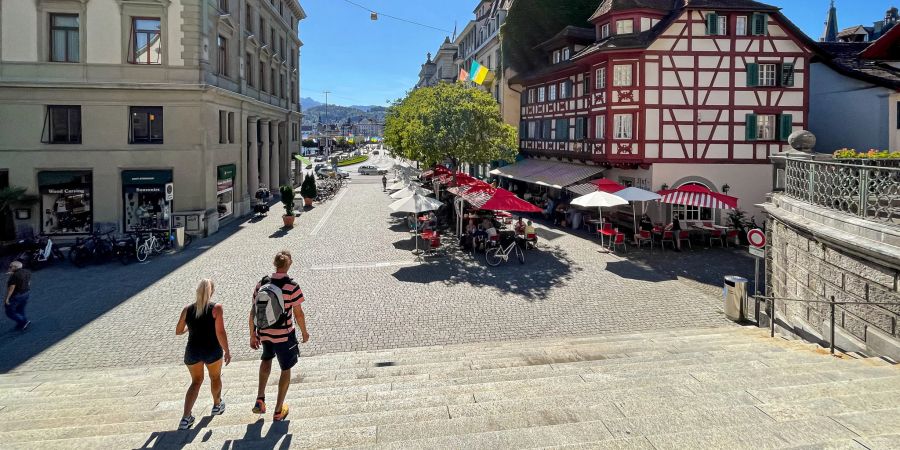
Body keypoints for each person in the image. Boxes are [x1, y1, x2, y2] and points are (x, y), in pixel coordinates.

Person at [249, 250, 309, 422]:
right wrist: (304, 332)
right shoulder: (292, 286)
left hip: (265, 332)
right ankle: (278, 410)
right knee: (285, 369)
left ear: (275, 264)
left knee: (266, 360)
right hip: (284, 335)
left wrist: (253, 334)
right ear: (288, 264)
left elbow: (253, 310)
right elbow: (298, 313)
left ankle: (260, 398)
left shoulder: (262, 283)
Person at [175, 279, 231, 430]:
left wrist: (189, 329)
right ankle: (217, 405)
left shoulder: (187, 309)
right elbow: (220, 332)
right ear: (211, 291)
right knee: (215, 377)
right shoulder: (216, 308)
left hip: (192, 351)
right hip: (212, 350)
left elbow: (178, 331)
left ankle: (186, 418)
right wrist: (227, 350)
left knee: (196, 382)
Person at [4, 261, 31, 331]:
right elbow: (28, 282)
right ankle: (23, 322)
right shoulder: (27, 271)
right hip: (26, 293)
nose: (9, 268)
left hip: (17, 296)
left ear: (15, 267)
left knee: (9, 312)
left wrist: (7, 298)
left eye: (10, 267)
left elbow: (11, 288)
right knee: (20, 309)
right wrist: (13, 273)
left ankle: (23, 322)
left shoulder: (14, 276)